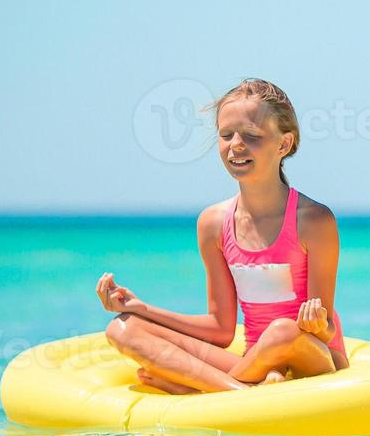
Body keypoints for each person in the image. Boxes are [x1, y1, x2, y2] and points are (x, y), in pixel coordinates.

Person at [99, 79, 348, 394]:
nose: (236, 145)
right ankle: (238, 391)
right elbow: (220, 330)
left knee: (282, 332)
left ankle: (197, 391)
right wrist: (142, 308)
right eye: (226, 135)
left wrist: (314, 326)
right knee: (123, 328)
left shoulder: (313, 220)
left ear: (284, 144)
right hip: (254, 363)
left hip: (312, 356)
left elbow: (324, 329)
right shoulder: (213, 224)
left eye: (252, 136)